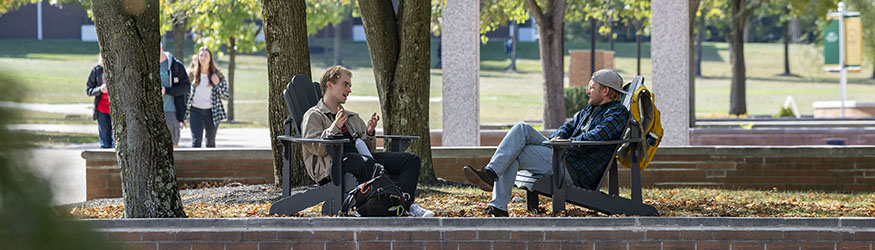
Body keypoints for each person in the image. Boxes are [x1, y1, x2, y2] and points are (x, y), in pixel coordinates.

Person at [463, 69, 630, 217]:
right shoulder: (589, 110)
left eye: (592, 88)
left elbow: (595, 137)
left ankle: (496, 198)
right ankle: (491, 174)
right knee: (522, 128)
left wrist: (566, 142)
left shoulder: (617, 113)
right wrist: (557, 139)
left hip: (573, 168)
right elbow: (567, 126)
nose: (587, 92)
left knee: (513, 152)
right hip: (561, 154)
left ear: (605, 91)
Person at [300, 65, 434, 217]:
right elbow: (317, 148)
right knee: (368, 164)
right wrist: (335, 128)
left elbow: (369, 151)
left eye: (350, 86)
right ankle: (405, 205)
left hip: (362, 161)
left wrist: (369, 133)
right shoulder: (313, 116)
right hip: (334, 164)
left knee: (410, 160)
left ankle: (403, 205)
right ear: (329, 85)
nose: (349, 90)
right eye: (345, 84)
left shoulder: (351, 117)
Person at [186, 47, 230, 148]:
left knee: (210, 141)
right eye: (201, 55)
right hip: (195, 111)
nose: (203, 58)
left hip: (212, 112)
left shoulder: (218, 75)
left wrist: (218, 84)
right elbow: (186, 95)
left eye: (206, 55)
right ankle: (195, 159)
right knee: (196, 140)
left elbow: (226, 95)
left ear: (210, 58)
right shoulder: (192, 74)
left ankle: (211, 159)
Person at [159, 41, 191, 147]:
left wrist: (166, 91)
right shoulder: (147, 66)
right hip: (152, 112)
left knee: (173, 145)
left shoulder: (175, 66)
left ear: (161, 48)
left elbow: (186, 87)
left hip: (171, 112)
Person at [85, 54, 112, 148]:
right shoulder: (97, 70)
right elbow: (88, 90)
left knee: (116, 143)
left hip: (117, 110)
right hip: (102, 110)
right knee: (105, 143)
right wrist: (100, 89)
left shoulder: (119, 69)